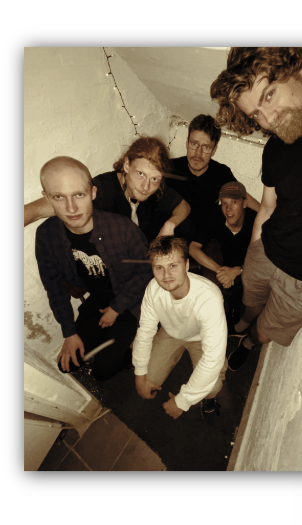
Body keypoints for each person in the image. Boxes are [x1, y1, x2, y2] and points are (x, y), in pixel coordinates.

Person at [209, 47, 302, 368]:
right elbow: (268, 205)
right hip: (264, 252)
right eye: (256, 114)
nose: (268, 120)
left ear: (297, 66)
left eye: (269, 95)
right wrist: (254, 249)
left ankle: (247, 342)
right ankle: (241, 323)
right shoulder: (275, 148)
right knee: (249, 301)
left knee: (265, 331)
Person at [33, 156, 153, 381]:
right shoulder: (47, 235)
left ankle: (137, 343)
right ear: (47, 198)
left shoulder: (122, 228)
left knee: (102, 372)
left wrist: (116, 308)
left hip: (132, 302)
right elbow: (54, 289)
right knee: (68, 365)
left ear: (93, 193)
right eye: (59, 197)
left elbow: (147, 271)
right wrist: (69, 332)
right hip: (97, 301)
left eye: (79, 195)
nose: (71, 208)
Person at [25, 136, 190, 243]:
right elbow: (37, 210)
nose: (146, 187)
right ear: (127, 165)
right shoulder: (102, 188)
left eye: (154, 179)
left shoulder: (155, 187)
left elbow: (184, 206)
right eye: (140, 174)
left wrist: (170, 225)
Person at [132, 236, 227, 418]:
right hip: (170, 332)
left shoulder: (209, 298)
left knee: (212, 388)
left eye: (173, 266)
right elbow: (144, 332)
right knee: (147, 377)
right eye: (159, 268)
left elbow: (212, 358)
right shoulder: (153, 289)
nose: (166, 275)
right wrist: (139, 374)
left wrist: (183, 401)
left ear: (187, 265)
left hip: (201, 338)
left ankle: (206, 398)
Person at [166, 114, 259, 239]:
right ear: (187, 143)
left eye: (206, 147)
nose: (198, 153)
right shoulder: (170, 168)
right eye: (194, 144)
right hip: (172, 235)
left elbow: (241, 195)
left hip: (202, 239)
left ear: (214, 150)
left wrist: (266, 212)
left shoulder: (221, 173)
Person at [188, 181, 254, 336]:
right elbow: (193, 247)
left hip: (249, 260)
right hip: (224, 258)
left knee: (246, 285)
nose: (228, 209)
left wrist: (238, 270)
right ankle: (216, 319)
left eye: (234, 202)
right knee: (214, 286)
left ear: (245, 203)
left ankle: (235, 312)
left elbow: (264, 256)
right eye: (224, 203)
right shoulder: (216, 215)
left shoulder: (255, 220)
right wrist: (220, 270)